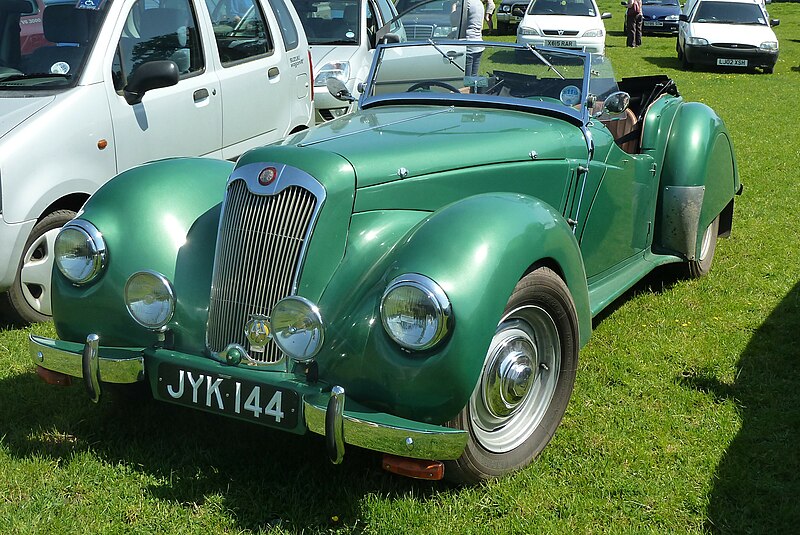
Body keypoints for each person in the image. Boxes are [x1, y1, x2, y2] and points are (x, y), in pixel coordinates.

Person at [465, 0, 485, 77]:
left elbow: (454, 21)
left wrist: (453, 7)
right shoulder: (479, 3)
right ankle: (473, 88)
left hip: (468, 43)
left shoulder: (466, 4)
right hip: (478, 42)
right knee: (473, 77)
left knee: (466, 78)